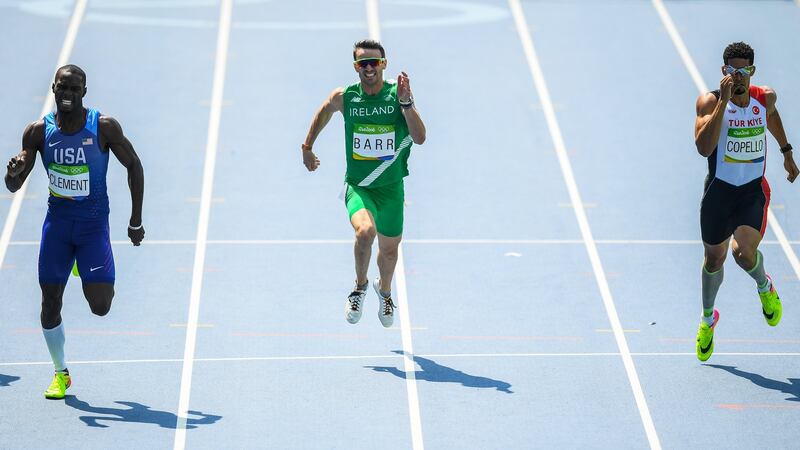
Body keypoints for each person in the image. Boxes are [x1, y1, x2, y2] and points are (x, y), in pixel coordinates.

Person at [4, 65, 145, 398]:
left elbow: (134, 165)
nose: (67, 95)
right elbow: (13, 186)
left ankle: (84, 262)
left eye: (74, 89)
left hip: (93, 225)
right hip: (58, 226)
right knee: (50, 303)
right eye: (62, 88)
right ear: (53, 88)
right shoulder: (38, 133)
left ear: (84, 91)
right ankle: (60, 372)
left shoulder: (103, 128)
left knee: (100, 306)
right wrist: (12, 174)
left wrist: (135, 220)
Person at [301, 39, 426, 327]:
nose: (369, 68)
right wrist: (307, 147)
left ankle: (384, 291)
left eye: (374, 62)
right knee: (365, 231)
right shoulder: (346, 97)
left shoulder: (398, 95)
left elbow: (419, 138)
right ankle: (359, 287)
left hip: (392, 189)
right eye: (363, 63)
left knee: (390, 250)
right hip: (359, 186)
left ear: (384, 64)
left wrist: (406, 104)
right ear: (356, 67)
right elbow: (324, 111)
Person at [693, 42, 798, 361]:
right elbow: (703, 148)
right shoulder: (709, 101)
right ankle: (708, 320)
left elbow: (773, 116)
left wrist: (787, 152)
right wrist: (724, 103)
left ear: (752, 71)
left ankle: (765, 286)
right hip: (719, 192)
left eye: (745, 71)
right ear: (724, 72)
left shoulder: (763, 98)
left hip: (751, 191)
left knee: (743, 253)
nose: (739, 77)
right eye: (732, 71)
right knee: (714, 260)